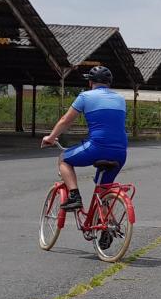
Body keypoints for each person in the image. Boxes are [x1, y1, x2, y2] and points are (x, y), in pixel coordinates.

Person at [41, 66, 128, 212]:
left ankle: (74, 196)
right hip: (120, 152)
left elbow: (65, 120)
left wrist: (51, 137)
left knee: (63, 159)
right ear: (109, 83)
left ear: (90, 83)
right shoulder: (120, 99)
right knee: (103, 192)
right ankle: (106, 229)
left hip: (97, 148)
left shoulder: (85, 96)